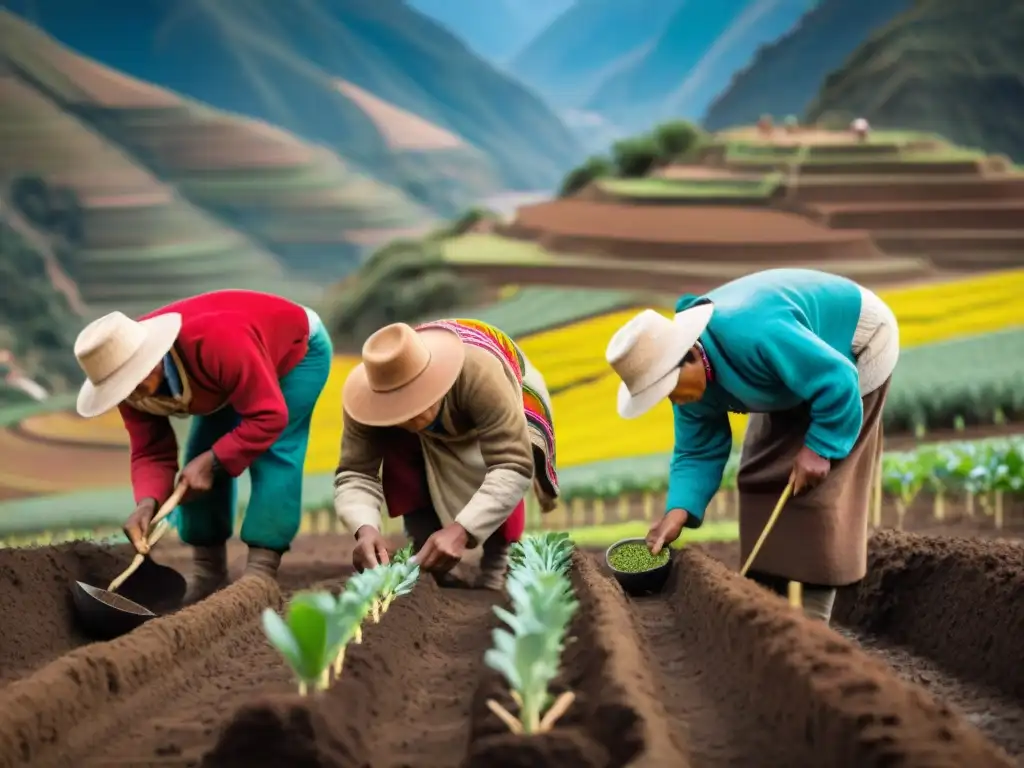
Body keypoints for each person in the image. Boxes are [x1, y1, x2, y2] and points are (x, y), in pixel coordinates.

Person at [605, 268, 899, 623]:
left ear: (692, 356)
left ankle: (813, 621)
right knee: (759, 474)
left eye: (671, 389)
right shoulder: (688, 388)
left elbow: (836, 378)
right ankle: (766, 598)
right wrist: (677, 511)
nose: (675, 401)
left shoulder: (754, 333)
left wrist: (820, 447)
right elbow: (697, 450)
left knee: (818, 491)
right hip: (790, 371)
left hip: (854, 346)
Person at [72, 289, 333, 603]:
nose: (134, 395)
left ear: (151, 358)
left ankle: (261, 571)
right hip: (223, 374)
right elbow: (151, 449)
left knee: (272, 451)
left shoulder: (217, 343)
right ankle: (209, 571)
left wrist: (215, 461)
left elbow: (268, 416)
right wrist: (147, 503)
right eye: (122, 388)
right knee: (195, 461)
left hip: (296, 354)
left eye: (134, 381)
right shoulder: (125, 383)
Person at [333, 318, 559, 591]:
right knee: (401, 460)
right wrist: (365, 528)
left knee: (492, 470)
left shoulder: (480, 374)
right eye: (395, 408)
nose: (409, 415)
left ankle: (498, 558)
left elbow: (511, 464)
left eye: (416, 401)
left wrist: (462, 531)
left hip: (492, 406)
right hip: (426, 432)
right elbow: (355, 472)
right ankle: (425, 548)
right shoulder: (365, 403)